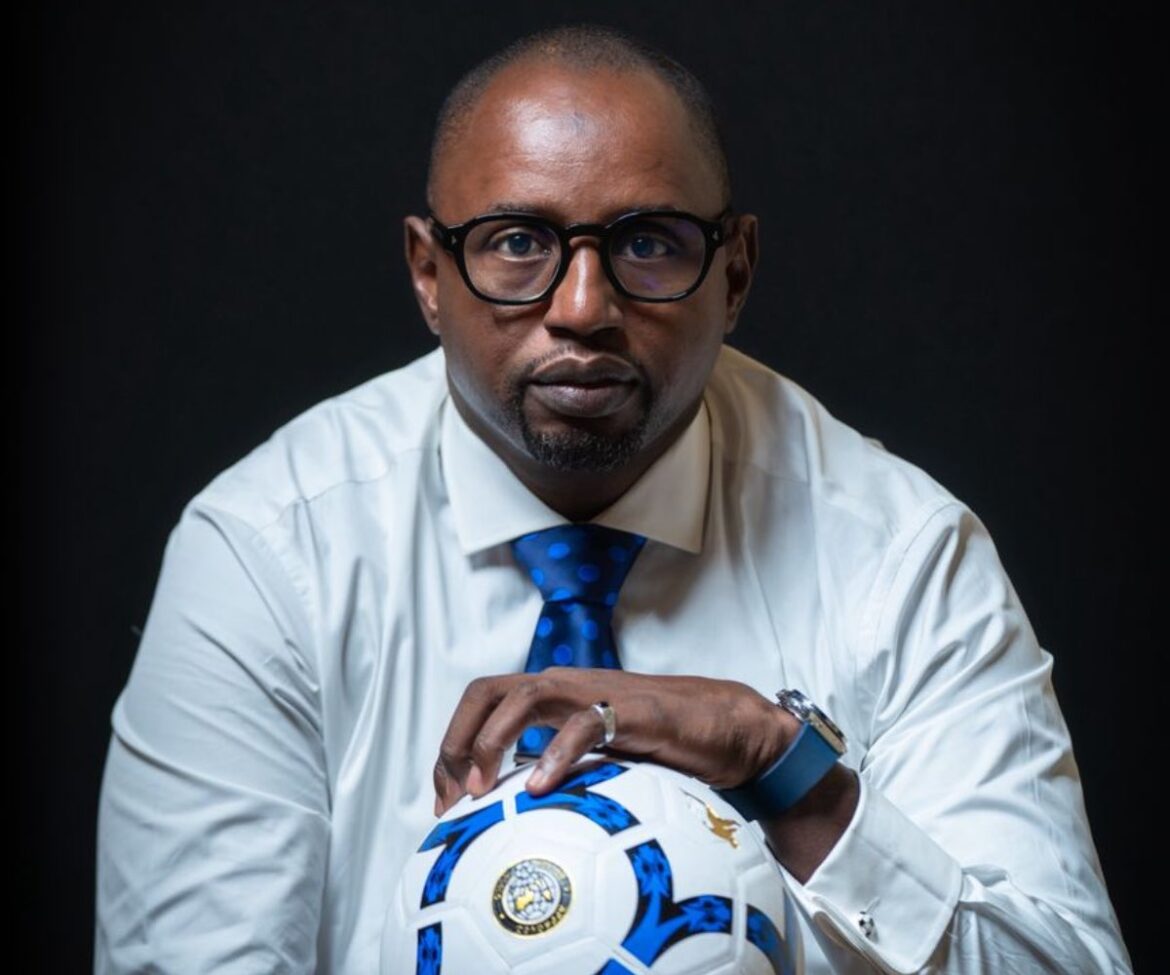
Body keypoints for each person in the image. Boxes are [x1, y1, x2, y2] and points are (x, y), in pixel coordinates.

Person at [95, 24, 1132, 975]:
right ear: (428, 272)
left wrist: (789, 771)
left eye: (647, 242)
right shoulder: (268, 552)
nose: (583, 308)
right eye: (517, 242)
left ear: (735, 274)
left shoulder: (903, 554)